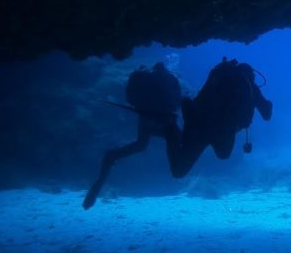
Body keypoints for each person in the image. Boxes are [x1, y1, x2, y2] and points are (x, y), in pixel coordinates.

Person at [83, 57, 272, 209]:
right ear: (251, 75)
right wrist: (262, 103)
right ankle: (169, 129)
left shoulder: (218, 77)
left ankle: (169, 129)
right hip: (217, 129)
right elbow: (267, 114)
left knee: (172, 164)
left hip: (198, 125)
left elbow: (200, 98)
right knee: (218, 156)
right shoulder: (249, 86)